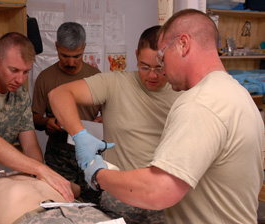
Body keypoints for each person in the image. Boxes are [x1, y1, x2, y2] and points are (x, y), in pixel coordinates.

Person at [53, 9, 264, 223]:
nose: (160, 68)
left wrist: (98, 174)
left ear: (183, 44)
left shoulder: (199, 103)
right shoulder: (238, 93)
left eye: (162, 57)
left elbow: (158, 191)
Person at [49, 25, 183, 223]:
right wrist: (80, 135)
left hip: (165, 200)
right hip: (119, 199)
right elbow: (58, 95)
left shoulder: (183, 92)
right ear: (136, 55)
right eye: (144, 66)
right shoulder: (115, 84)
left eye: (160, 68)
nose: (152, 75)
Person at [0, 32, 74, 202]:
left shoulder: (20, 95)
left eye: (25, 72)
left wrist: (37, 176)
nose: (20, 79)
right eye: (14, 70)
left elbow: (30, 146)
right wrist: (41, 170)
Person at [32, 22, 102, 204]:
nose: (70, 62)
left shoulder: (96, 77)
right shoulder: (45, 78)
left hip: (91, 155)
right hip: (59, 155)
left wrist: (104, 119)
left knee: (94, 205)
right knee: (60, 203)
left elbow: (110, 113)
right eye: (64, 56)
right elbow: (34, 118)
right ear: (56, 46)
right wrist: (47, 122)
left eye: (77, 56)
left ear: (84, 48)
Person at [0, 163, 113, 224]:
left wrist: (49, 177)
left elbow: (75, 189)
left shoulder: (36, 174)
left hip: (83, 213)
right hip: (35, 219)